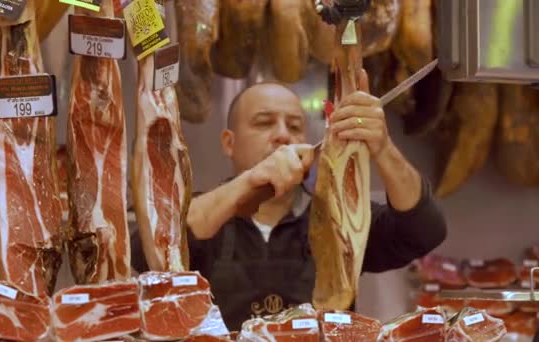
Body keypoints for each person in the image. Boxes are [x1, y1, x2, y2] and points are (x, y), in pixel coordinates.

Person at [131, 80, 447, 331]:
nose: (282, 135)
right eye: (264, 123)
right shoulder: (205, 214)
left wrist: (383, 147)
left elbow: (424, 230)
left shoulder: (336, 220)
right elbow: (148, 255)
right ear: (229, 142)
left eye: (294, 127)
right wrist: (249, 182)